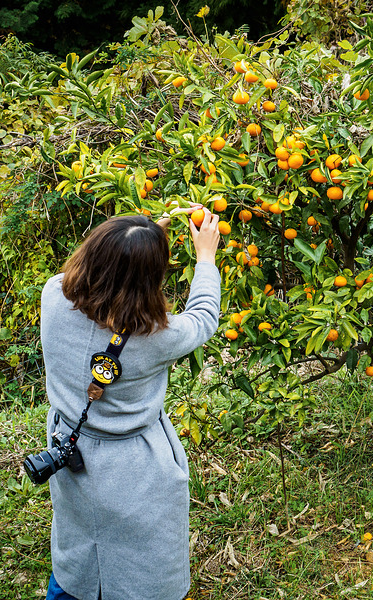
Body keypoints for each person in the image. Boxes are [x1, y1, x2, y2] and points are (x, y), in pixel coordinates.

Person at [39, 208, 221, 600]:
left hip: (70, 448)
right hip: (135, 467)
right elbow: (204, 317)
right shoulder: (156, 337)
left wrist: (137, 238)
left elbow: (101, 272)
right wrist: (205, 258)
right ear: (150, 279)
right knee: (145, 559)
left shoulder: (53, 297)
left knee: (79, 547)